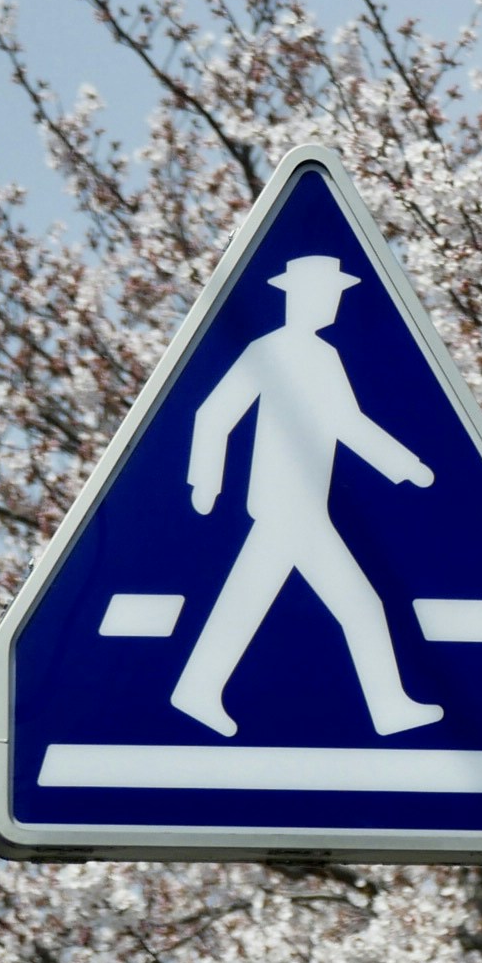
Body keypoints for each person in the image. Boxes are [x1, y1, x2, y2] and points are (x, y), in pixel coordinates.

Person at [172, 253, 442, 737]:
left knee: (252, 600)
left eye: (336, 295)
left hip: (303, 506)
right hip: (283, 505)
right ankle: (388, 708)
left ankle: (197, 689)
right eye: (328, 294)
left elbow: (346, 424)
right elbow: (213, 414)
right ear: (302, 297)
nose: (335, 304)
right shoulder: (268, 351)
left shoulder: (324, 355)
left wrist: (406, 465)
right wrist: (205, 482)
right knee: (359, 605)